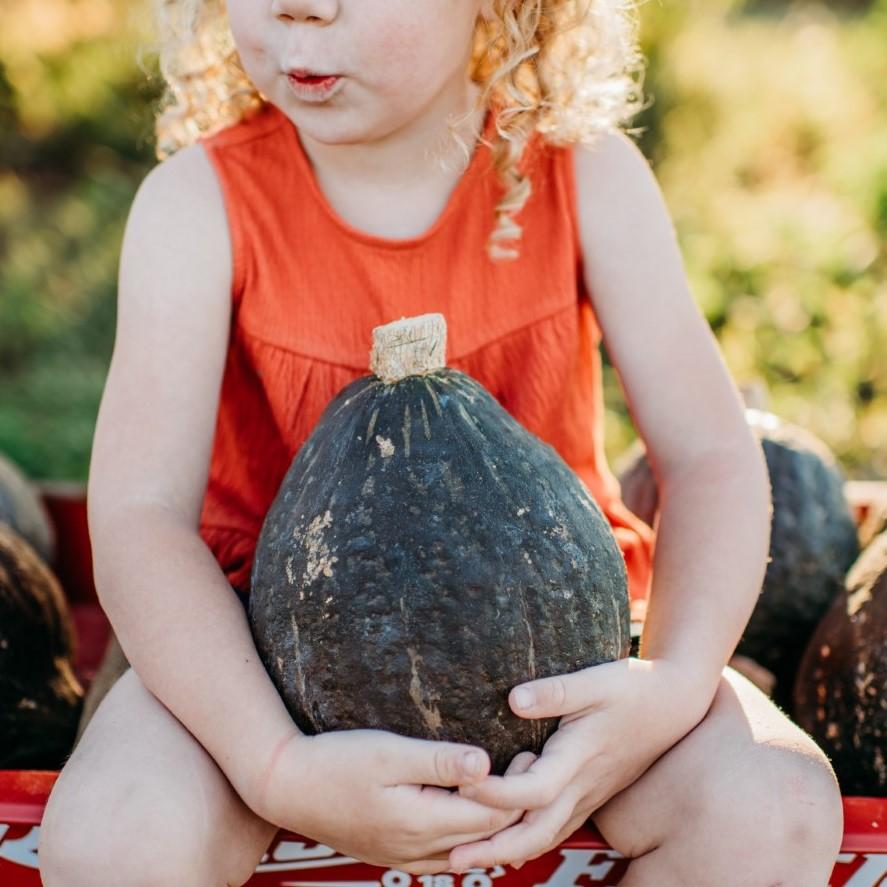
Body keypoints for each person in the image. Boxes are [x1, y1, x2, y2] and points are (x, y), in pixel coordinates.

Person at [38, 0, 844, 884]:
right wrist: (274, 763)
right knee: (118, 831)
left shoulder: (585, 176)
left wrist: (677, 682)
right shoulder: (195, 205)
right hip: (246, 656)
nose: (299, 6)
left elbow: (709, 459)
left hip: (560, 654)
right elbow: (140, 518)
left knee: (776, 804)